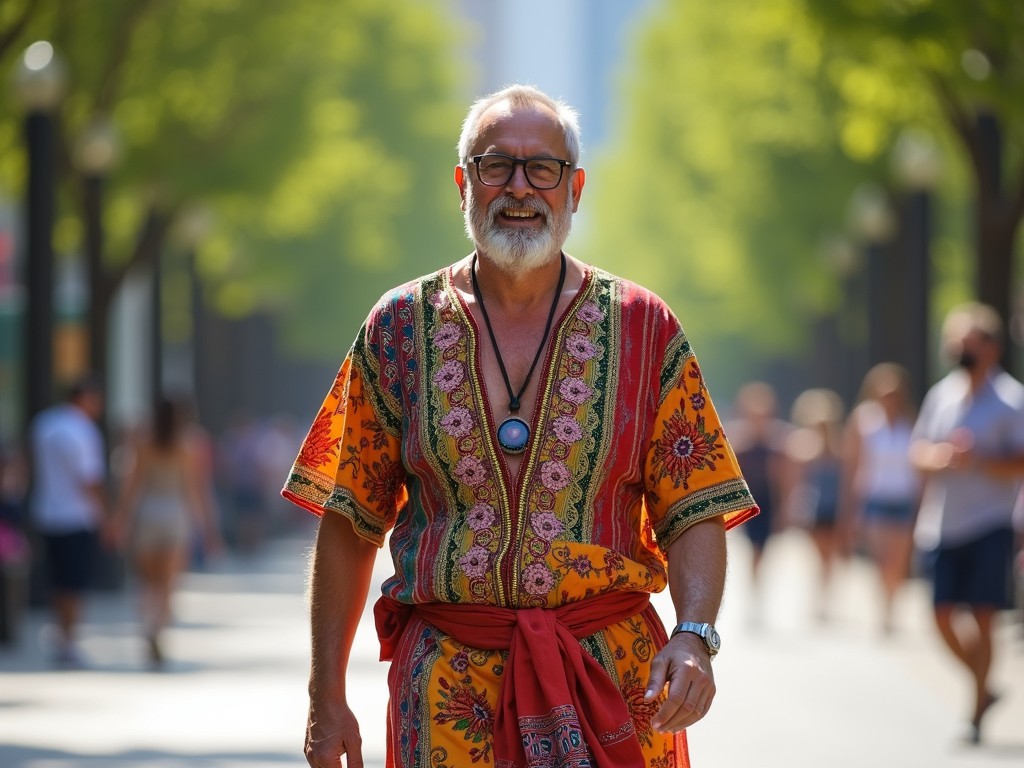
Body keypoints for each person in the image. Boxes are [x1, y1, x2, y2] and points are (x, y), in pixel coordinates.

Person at [282, 84, 758, 768]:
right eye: (495, 164)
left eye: (544, 168)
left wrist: (694, 636)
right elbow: (349, 518)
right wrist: (325, 697)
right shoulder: (397, 327)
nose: (519, 187)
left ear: (575, 188)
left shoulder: (645, 326)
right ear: (463, 182)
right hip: (444, 691)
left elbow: (694, 508)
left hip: (614, 684)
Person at [909, 302, 1024, 744]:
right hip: (944, 523)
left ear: (991, 347)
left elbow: (1018, 460)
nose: (959, 349)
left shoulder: (1011, 400)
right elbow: (919, 452)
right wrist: (943, 458)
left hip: (990, 522)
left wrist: (980, 460)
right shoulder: (943, 395)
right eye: (954, 342)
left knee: (983, 616)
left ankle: (976, 711)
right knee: (939, 616)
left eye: (967, 341)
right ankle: (984, 684)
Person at [108, 398, 222, 668]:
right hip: (176, 514)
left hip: (148, 513)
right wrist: (208, 530)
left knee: (147, 582)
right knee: (167, 583)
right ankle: (159, 628)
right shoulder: (189, 445)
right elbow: (196, 491)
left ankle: (148, 626)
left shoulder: (142, 443)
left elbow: (131, 486)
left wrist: (119, 520)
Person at [28, 374, 108, 667]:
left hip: (47, 512)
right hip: (76, 516)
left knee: (57, 580)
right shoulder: (83, 430)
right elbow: (89, 479)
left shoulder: (43, 424)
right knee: (74, 582)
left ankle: (61, 635)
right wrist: (106, 515)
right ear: (84, 398)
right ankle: (68, 639)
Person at [843, 363, 920, 635]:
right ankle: (882, 606)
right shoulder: (864, 422)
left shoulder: (910, 423)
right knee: (880, 558)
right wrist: (850, 510)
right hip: (874, 497)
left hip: (902, 497)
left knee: (897, 560)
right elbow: (852, 466)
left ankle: (892, 606)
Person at [727, 381, 791, 626]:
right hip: (749, 501)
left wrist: (785, 508)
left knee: (764, 551)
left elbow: (784, 479)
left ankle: (759, 591)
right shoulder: (739, 442)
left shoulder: (778, 443)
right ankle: (754, 594)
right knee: (754, 549)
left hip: (768, 502)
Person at [783, 387, 847, 622]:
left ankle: (825, 596)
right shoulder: (803, 446)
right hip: (815, 508)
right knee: (818, 554)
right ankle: (818, 596)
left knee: (830, 555)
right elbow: (795, 480)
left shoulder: (840, 448)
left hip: (833, 507)